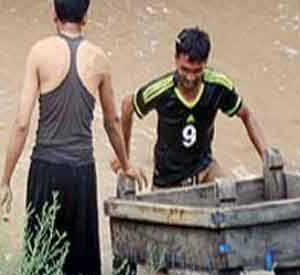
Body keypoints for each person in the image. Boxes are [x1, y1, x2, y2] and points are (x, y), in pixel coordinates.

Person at [0, 0, 146, 275]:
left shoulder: (39, 53)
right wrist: (125, 164)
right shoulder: (100, 59)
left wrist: (4, 181)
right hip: (81, 172)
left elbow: (22, 123)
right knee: (78, 269)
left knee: (37, 260)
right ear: (86, 17)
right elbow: (111, 122)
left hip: (45, 168)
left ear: (54, 12)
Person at [114, 27, 267, 189]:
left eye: (197, 71)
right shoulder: (162, 90)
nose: (190, 77)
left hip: (205, 170)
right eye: (184, 69)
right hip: (168, 180)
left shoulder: (217, 87)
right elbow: (127, 106)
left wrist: (266, 156)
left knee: (231, 196)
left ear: (206, 62)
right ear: (176, 59)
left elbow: (246, 115)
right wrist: (125, 160)